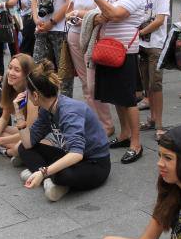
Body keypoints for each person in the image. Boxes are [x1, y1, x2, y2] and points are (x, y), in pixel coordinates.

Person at [81, 0, 148, 165]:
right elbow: (100, 15)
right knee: (117, 97)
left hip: (124, 51)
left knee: (128, 99)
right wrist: (104, 10)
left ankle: (136, 144)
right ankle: (124, 134)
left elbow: (116, 14)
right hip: (108, 49)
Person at [17, 60, 111, 202]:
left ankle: (47, 178)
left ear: (35, 96)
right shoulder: (46, 109)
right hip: (70, 155)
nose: (26, 95)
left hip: (95, 163)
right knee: (23, 148)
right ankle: (50, 181)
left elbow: (76, 154)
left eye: (27, 92)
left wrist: (43, 172)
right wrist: (18, 113)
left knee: (63, 175)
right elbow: (29, 143)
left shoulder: (69, 111)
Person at [65, 0, 115, 136]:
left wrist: (81, 13)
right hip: (75, 35)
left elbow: (106, 12)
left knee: (94, 83)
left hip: (95, 36)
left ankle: (107, 124)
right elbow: (69, 9)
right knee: (85, 84)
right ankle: (95, 123)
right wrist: (73, 15)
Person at [32, 0, 78, 97]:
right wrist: (36, 18)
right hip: (42, 29)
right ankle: (43, 105)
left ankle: (64, 108)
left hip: (60, 29)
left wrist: (52, 22)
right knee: (38, 71)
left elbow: (70, 1)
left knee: (63, 74)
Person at [137, 0, 169, 139]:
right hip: (141, 45)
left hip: (155, 45)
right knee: (146, 85)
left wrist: (140, 32)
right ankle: (151, 118)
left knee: (156, 85)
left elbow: (159, 20)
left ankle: (159, 124)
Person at [0, 53, 39, 159]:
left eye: (17, 70)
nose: (11, 73)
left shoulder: (31, 95)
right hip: (24, 133)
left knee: (19, 146)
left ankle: (12, 152)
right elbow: (4, 118)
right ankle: (20, 153)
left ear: (27, 75)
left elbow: (31, 132)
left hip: (40, 136)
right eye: (10, 68)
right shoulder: (10, 89)